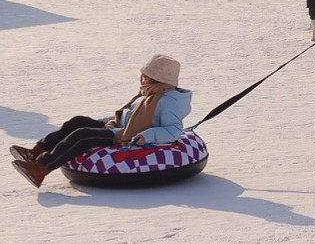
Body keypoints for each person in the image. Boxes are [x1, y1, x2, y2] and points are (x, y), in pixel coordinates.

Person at [10, 54, 192, 188]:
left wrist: (147, 135)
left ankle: (41, 168)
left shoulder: (169, 101)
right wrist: (107, 121)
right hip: (120, 126)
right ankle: (35, 152)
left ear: (158, 80)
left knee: (83, 136)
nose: (143, 79)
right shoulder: (150, 93)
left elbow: (174, 129)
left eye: (147, 77)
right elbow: (130, 114)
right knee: (78, 121)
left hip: (128, 135)